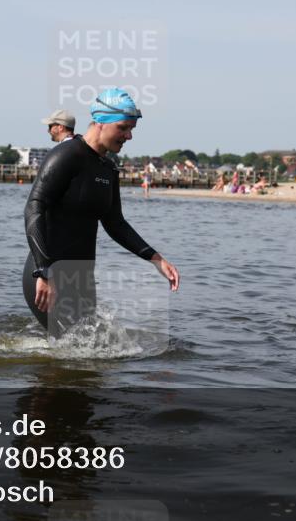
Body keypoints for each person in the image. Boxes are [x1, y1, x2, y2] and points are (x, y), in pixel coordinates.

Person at [23, 88, 180, 337]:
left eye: (131, 130)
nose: (128, 136)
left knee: (87, 355)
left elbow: (115, 223)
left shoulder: (108, 168)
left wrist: (156, 259)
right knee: (70, 355)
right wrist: (44, 271)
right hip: (48, 274)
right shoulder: (66, 156)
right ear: (100, 122)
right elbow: (34, 207)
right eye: (123, 128)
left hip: (81, 278)